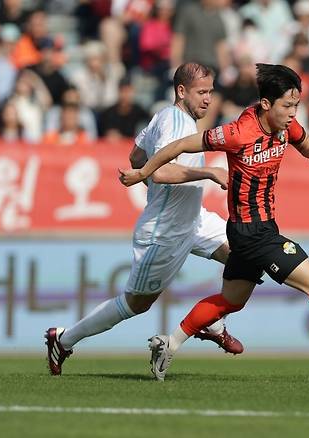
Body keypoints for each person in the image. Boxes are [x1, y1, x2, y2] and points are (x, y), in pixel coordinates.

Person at [119, 64, 309, 381]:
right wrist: (143, 173)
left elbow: (301, 138)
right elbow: (181, 145)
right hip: (255, 233)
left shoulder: (284, 125)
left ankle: (170, 343)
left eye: (296, 106)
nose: (293, 113)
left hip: (248, 232)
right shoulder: (238, 133)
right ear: (266, 104)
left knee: (231, 301)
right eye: (287, 106)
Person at [45, 63, 244, 376]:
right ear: (182, 91)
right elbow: (160, 171)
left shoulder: (164, 117)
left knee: (245, 255)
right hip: (164, 231)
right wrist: (207, 171)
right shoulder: (175, 122)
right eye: (201, 92)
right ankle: (64, 340)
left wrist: (145, 171)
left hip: (194, 219)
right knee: (135, 304)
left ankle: (213, 321)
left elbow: (137, 157)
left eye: (211, 92)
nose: (208, 99)